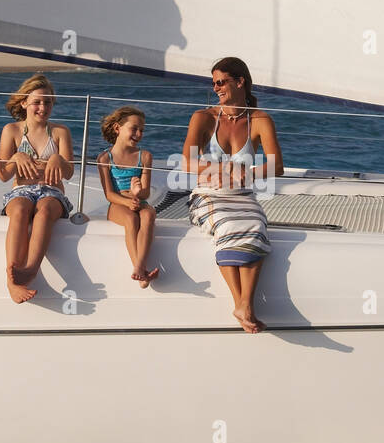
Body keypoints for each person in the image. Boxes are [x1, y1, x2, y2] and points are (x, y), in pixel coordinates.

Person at [182, 56, 283, 333]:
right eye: (214, 83)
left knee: (256, 225)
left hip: (241, 195)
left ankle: (244, 304)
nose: (216, 88)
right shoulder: (203, 117)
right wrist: (223, 167)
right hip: (208, 194)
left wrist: (247, 173)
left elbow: (277, 165)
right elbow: (187, 162)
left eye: (221, 82)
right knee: (227, 225)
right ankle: (243, 304)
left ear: (240, 82)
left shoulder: (260, 120)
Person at [0, 74, 74, 303]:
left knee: (46, 210)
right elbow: (3, 175)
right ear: (24, 103)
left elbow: (69, 173)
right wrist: (17, 157)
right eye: (37, 102)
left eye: (48, 102)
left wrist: (58, 161)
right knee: (20, 210)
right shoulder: (11, 130)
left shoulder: (60, 132)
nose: (43, 107)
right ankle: (12, 280)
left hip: (51, 191)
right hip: (21, 190)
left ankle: (31, 268)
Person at [96, 106, 158, 287]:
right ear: (117, 128)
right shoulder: (104, 158)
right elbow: (109, 194)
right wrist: (128, 201)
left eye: (142, 130)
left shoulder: (145, 157)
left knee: (148, 214)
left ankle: (140, 268)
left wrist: (138, 194)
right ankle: (140, 268)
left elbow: (145, 192)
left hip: (138, 200)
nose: (139, 134)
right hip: (118, 203)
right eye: (134, 128)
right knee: (131, 219)